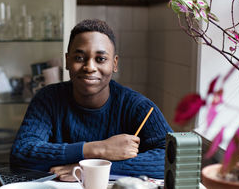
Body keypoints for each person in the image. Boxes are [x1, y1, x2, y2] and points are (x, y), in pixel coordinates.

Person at [10, 19, 172, 180]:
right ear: (67, 61)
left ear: (114, 64)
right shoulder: (47, 99)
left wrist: (91, 169)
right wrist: (98, 149)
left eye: (100, 59)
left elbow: (173, 157)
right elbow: (21, 153)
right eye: (79, 58)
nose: (89, 67)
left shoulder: (139, 107)